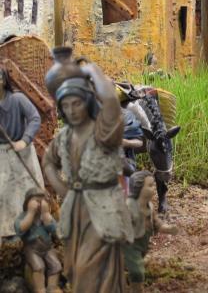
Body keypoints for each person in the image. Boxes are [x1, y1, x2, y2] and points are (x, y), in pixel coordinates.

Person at [43, 61, 133, 293]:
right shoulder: (64, 137)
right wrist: (63, 189)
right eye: (66, 105)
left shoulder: (103, 131)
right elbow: (48, 162)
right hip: (76, 209)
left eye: (77, 103)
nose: (72, 110)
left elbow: (111, 102)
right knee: (75, 267)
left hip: (102, 206)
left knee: (93, 270)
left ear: (88, 102)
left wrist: (91, 70)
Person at [0, 66, 44, 243]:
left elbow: (34, 118)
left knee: (26, 192)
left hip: (22, 152)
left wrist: (24, 141)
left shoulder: (17, 99)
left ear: (3, 81)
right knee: (4, 193)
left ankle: (32, 229)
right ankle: (7, 232)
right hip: (2, 155)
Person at [123, 171, 177, 293]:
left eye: (153, 185)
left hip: (143, 243)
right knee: (137, 271)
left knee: (134, 263)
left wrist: (168, 229)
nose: (154, 188)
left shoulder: (150, 206)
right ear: (139, 188)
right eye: (150, 185)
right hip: (130, 244)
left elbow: (157, 223)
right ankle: (136, 289)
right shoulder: (129, 206)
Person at [14, 188, 62, 293]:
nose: (40, 203)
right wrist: (30, 214)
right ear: (27, 202)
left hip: (47, 248)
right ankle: (40, 288)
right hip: (32, 249)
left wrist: (46, 215)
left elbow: (55, 231)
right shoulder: (23, 216)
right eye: (36, 200)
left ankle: (52, 287)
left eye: (43, 200)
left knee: (56, 266)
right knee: (39, 267)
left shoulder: (45, 216)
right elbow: (20, 229)